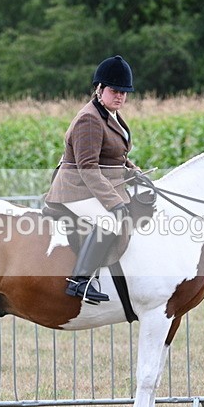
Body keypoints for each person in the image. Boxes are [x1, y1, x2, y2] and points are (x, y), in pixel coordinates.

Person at [45, 55, 141, 304]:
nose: (120, 95)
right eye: (114, 90)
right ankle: (80, 282)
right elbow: (88, 167)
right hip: (75, 189)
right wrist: (114, 203)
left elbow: (114, 157)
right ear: (99, 89)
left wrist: (135, 173)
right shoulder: (89, 119)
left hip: (92, 185)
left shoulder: (111, 115)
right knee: (110, 221)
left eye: (124, 91)